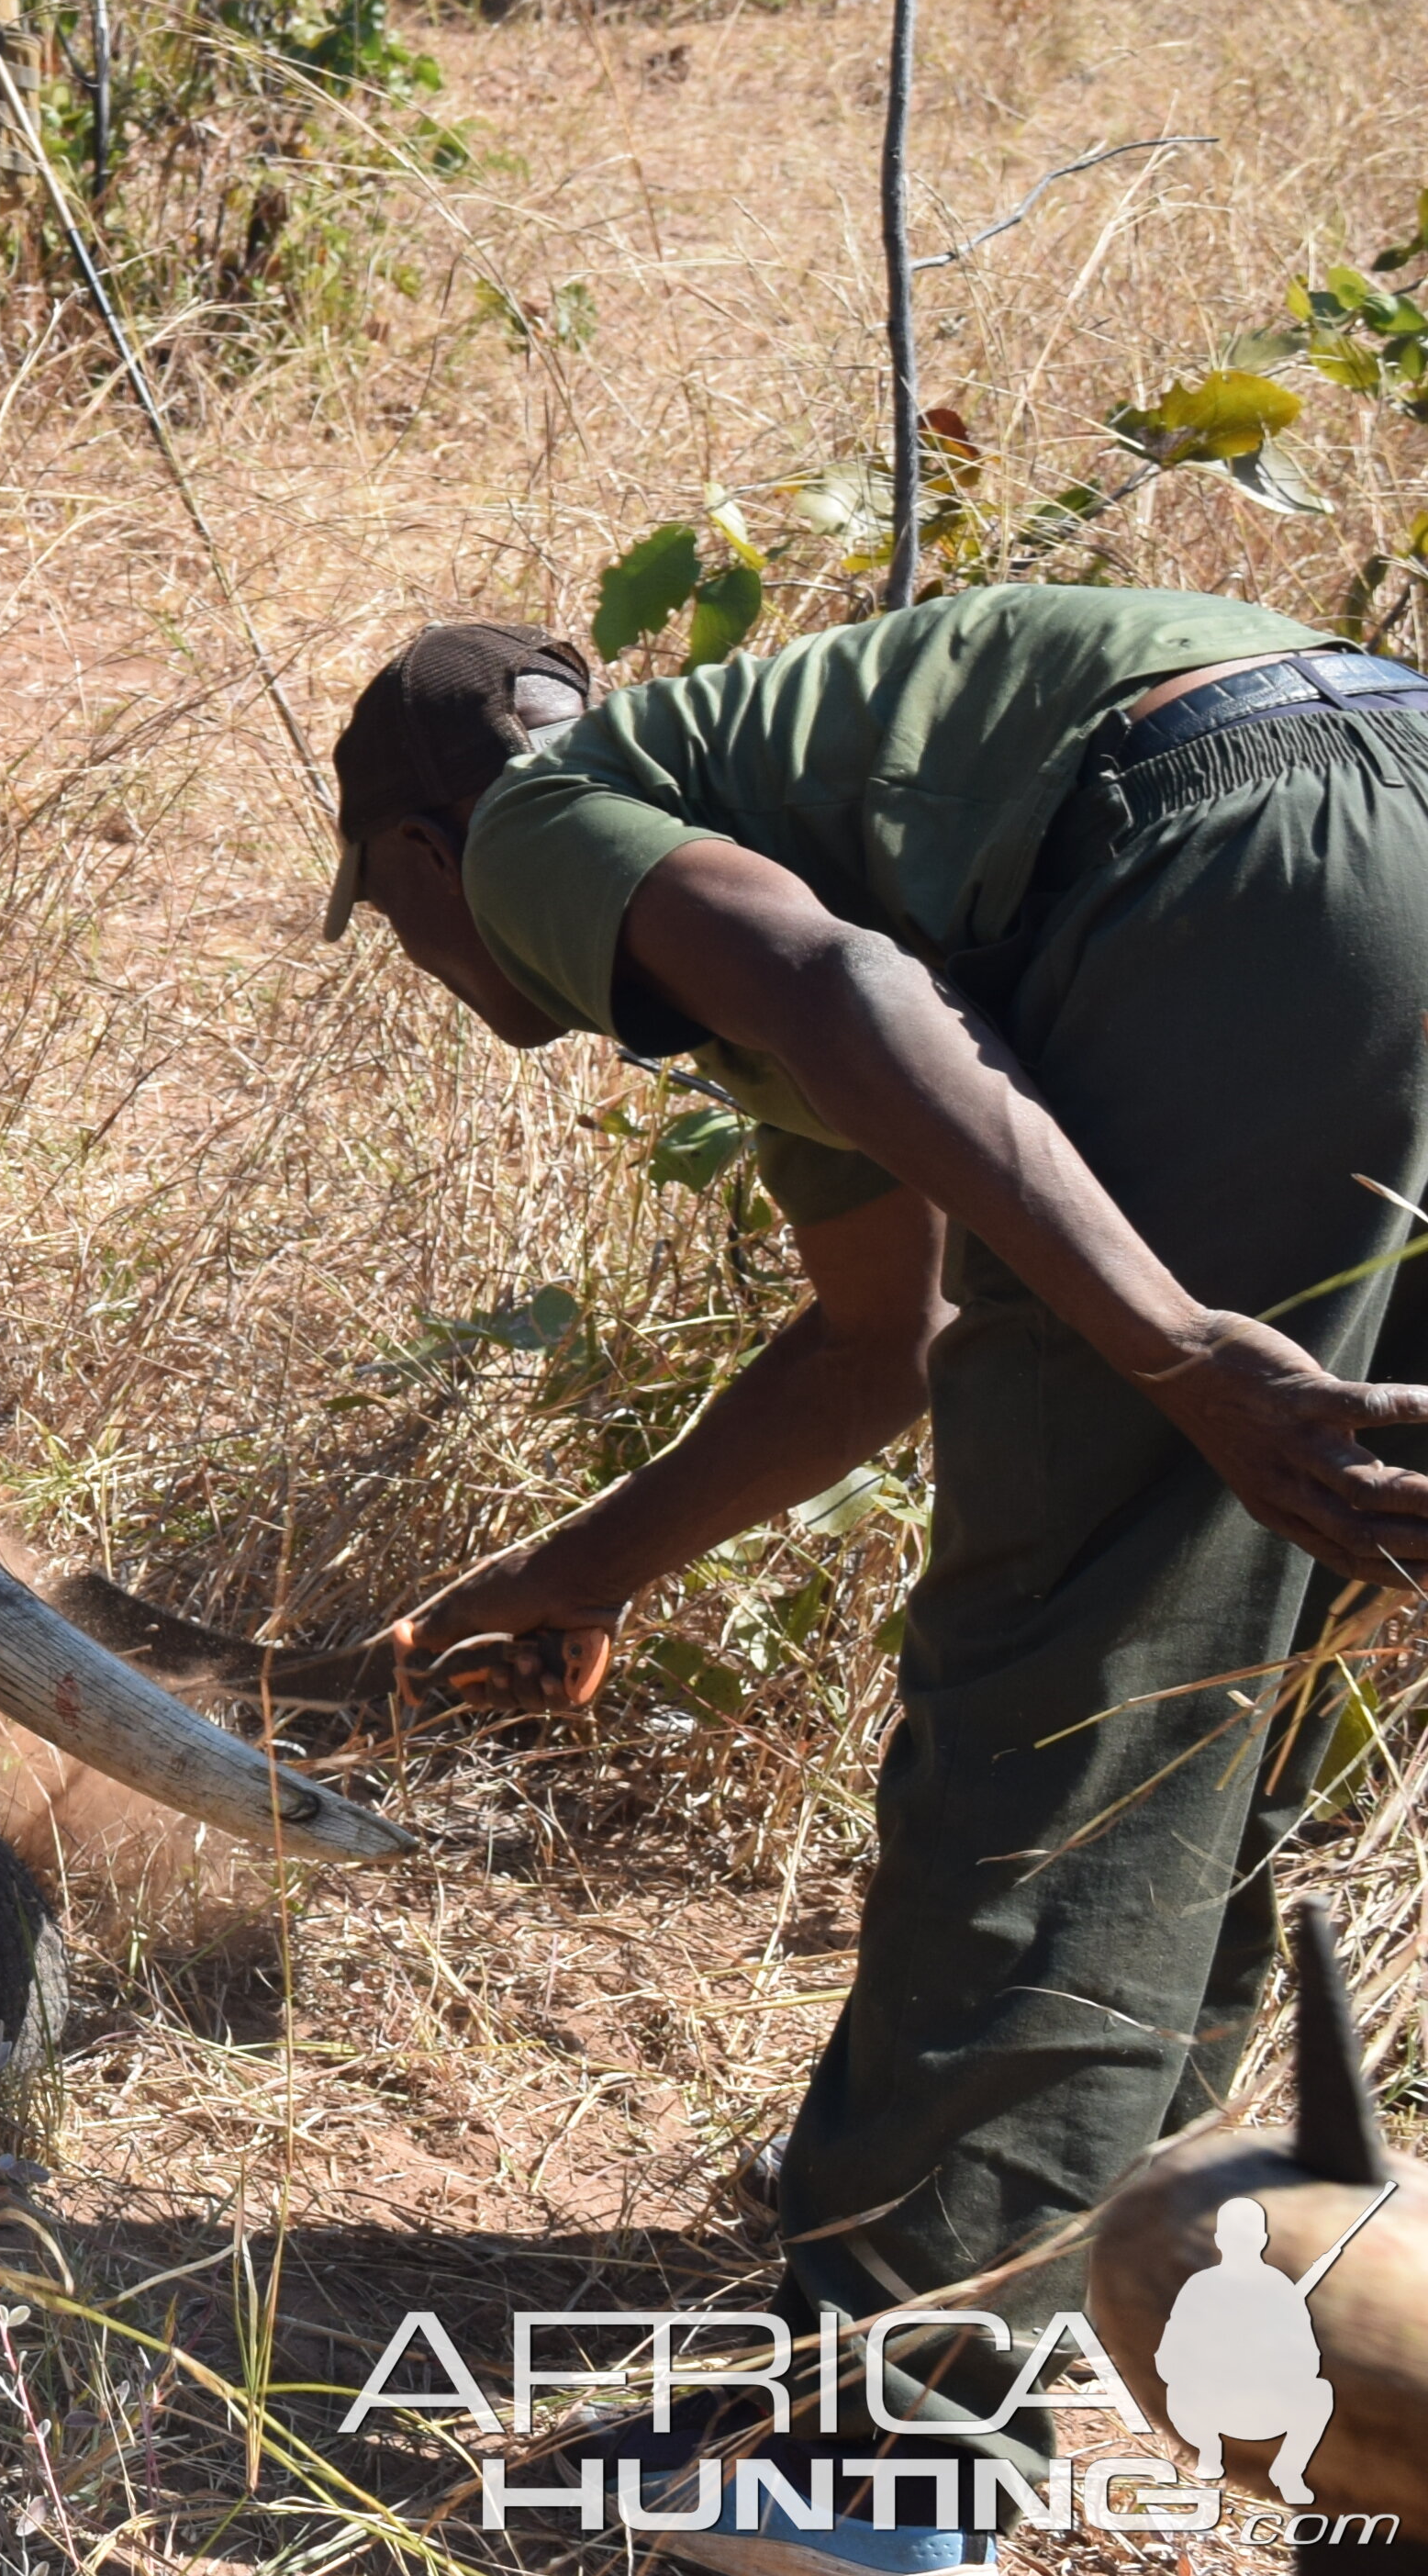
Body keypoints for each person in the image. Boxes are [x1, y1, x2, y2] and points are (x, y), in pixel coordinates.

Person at [329, 588, 1428, 2576]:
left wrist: (1171, 1340)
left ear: (417, 854)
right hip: (1388, 794)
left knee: (1069, 1709)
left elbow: (836, 975)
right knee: (1244, 1651)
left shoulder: (545, 819)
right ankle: (1112, 2271)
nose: (427, 963)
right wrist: (574, 1571)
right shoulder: (794, 849)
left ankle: (873, 2472)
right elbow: (873, 1345)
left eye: (390, 925)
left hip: (1233, 861)